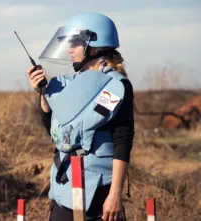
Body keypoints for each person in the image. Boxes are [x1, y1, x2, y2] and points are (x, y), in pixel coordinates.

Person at [26, 12, 135, 221]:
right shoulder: (72, 83)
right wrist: (43, 94)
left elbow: (122, 140)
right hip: (64, 186)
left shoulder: (115, 88)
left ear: (95, 46)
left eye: (75, 43)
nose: (69, 49)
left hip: (98, 191)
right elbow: (57, 133)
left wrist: (115, 195)